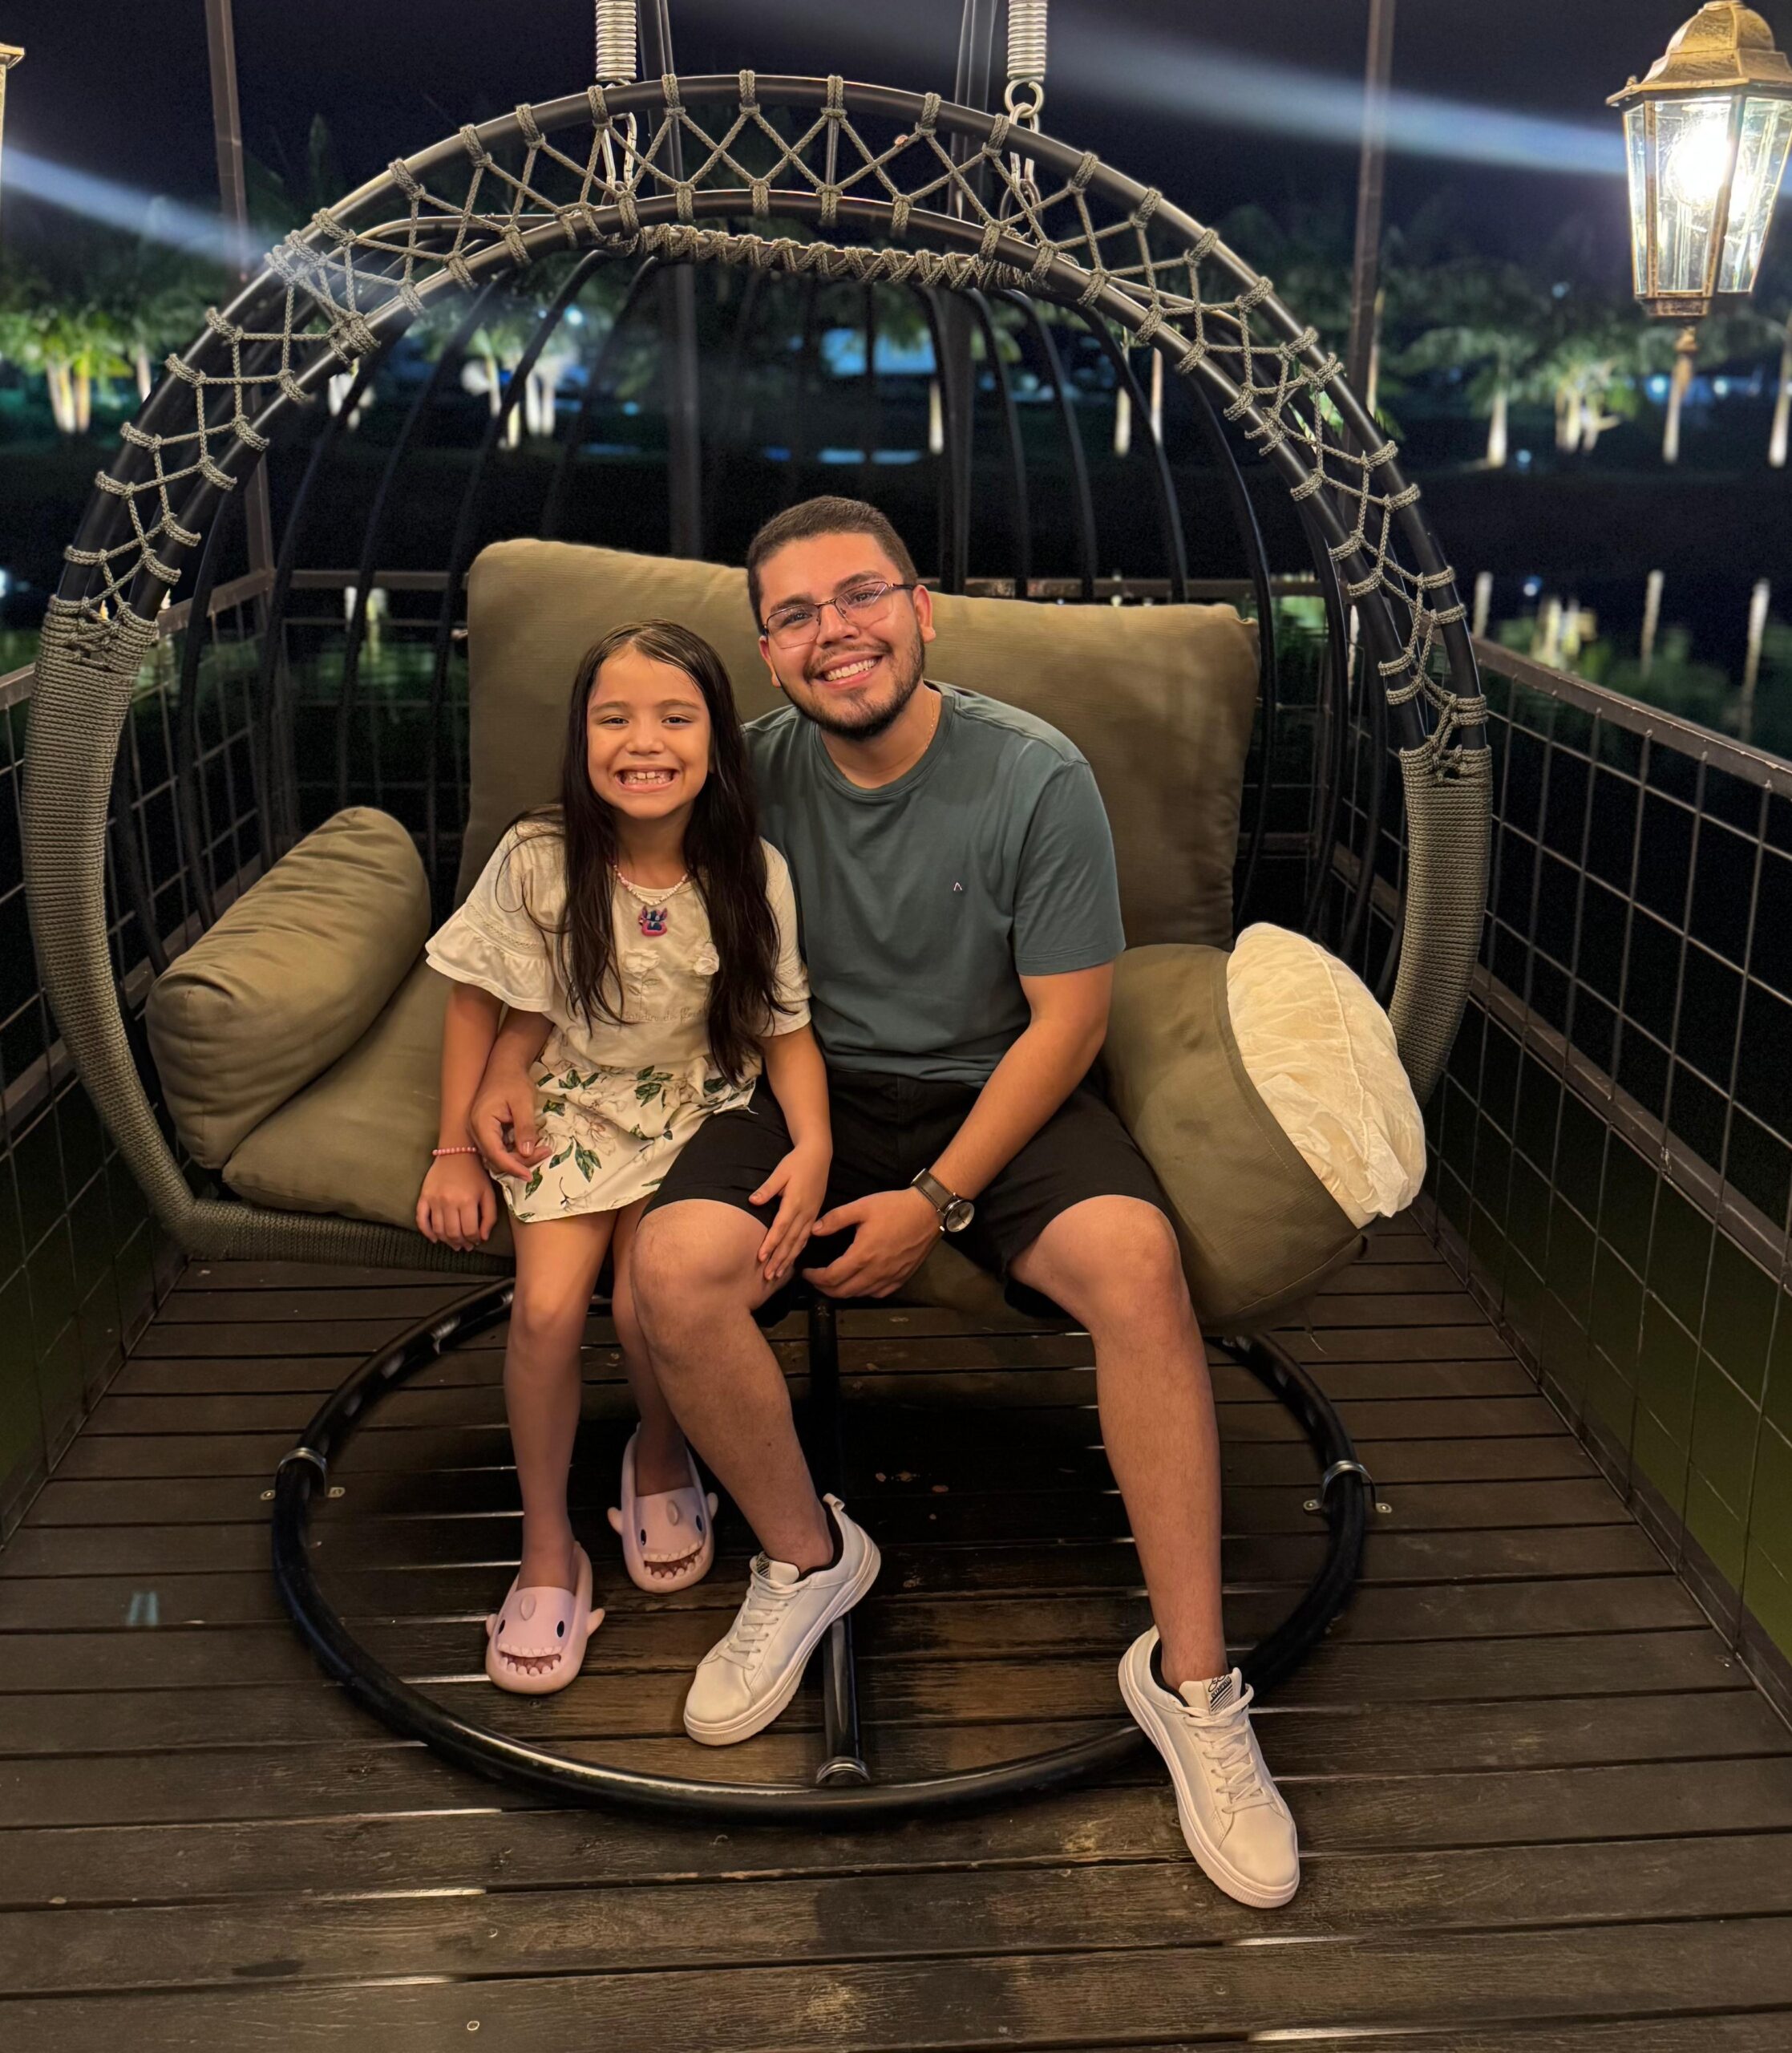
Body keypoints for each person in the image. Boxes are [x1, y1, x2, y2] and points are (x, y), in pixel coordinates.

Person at [630, 498, 1299, 1907]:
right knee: (673, 1267)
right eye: (796, 616)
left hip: (995, 1087)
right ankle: (809, 1558)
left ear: (922, 608)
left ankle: (1194, 1683)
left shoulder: (1034, 775)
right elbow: (601, 882)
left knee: (1138, 1263)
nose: (835, 633)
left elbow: (1069, 1025)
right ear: (769, 652)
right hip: (806, 1083)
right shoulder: (745, 773)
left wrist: (933, 1200)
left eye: (860, 596)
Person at [416, 620, 829, 1695]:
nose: (643, 742)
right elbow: (480, 1000)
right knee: (547, 1312)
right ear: (582, 736)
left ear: (717, 741)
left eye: (675, 717)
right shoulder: (539, 856)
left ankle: (659, 1446)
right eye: (615, 718)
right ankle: (548, 1543)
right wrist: (454, 1145)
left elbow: (784, 1027)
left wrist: (816, 1143)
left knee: (652, 1305)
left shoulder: (750, 872)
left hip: (694, 1105)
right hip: (570, 1099)